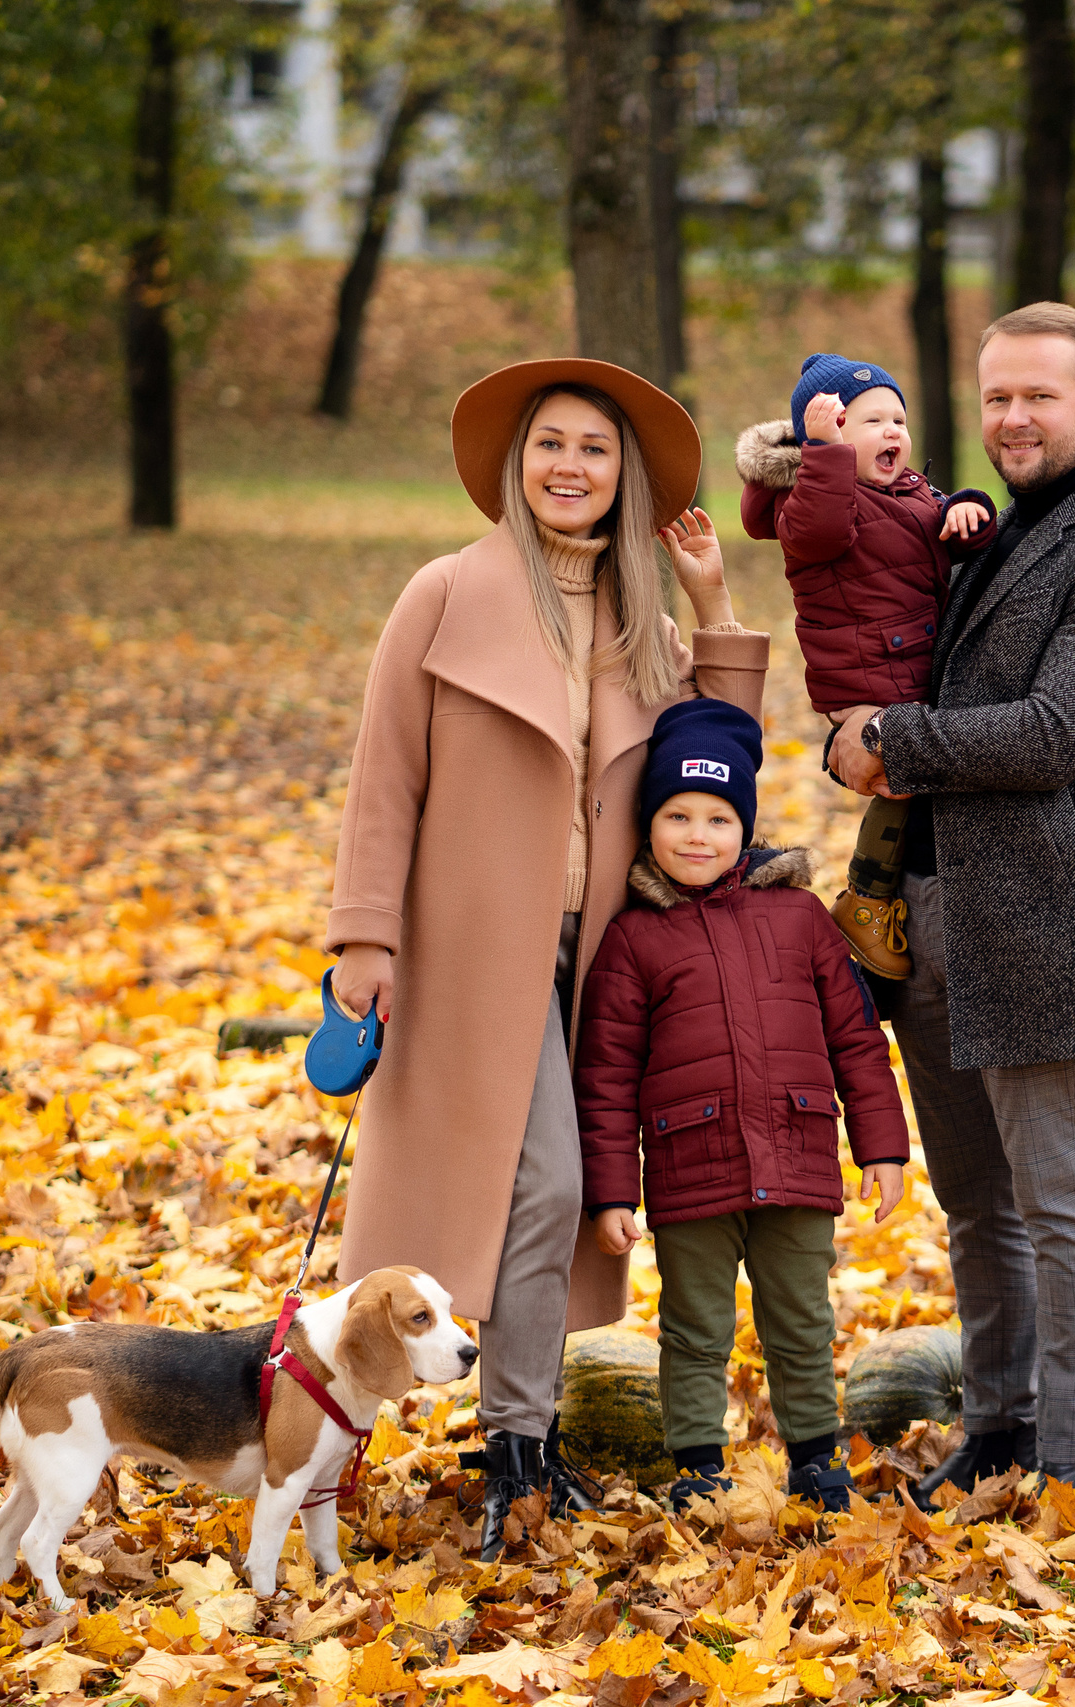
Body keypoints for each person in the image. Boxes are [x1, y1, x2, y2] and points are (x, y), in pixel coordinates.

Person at [324, 359, 769, 1559]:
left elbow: (716, 761)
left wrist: (714, 609)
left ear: (621, 477)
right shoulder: (444, 595)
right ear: (516, 467)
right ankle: (513, 1443)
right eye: (548, 446)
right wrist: (364, 936)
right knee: (553, 1187)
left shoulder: (638, 622)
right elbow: (385, 780)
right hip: (473, 953)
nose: (569, 468)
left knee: (553, 1197)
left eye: (594, 450)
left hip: (605, 961)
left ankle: (516, 1439)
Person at [823, 302, 1075, 1508]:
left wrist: (888, 737)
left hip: (1043, 922)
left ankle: (1063, 1459)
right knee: (976, 1202)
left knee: (1059, 1202)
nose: (1012, 418)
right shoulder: (977, 535)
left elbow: (1053, 736)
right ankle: (995, 1424)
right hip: (927, 913)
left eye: (1038, 396)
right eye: (995, 398)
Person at [573, 698, 910, 1512]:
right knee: (695, 1328)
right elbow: (606, 1076)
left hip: (795, 1157)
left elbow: (857, 1038)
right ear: (649, 826)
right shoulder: (633, 939)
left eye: (718, 817)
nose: (696, 835)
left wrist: (883, 1146)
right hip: (692, 1170)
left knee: (800, 1318)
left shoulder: (800, 919)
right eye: (677, 815)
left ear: (745, 827)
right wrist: (613, 1190)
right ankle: (697, 1464)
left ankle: (816, 1458)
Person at [736, 354, 991, 979]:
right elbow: (820, 534)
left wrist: (967, 512)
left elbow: (943, 540)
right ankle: (867, 899)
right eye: (869, 421)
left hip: (904, 661)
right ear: (824, 440)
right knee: (899, 777)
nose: (892, 433)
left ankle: (880, 894)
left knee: (912, 776)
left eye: (898, 419)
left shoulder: (905, 491)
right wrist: (820, 456)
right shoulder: (809, 500)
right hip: (864, 674)